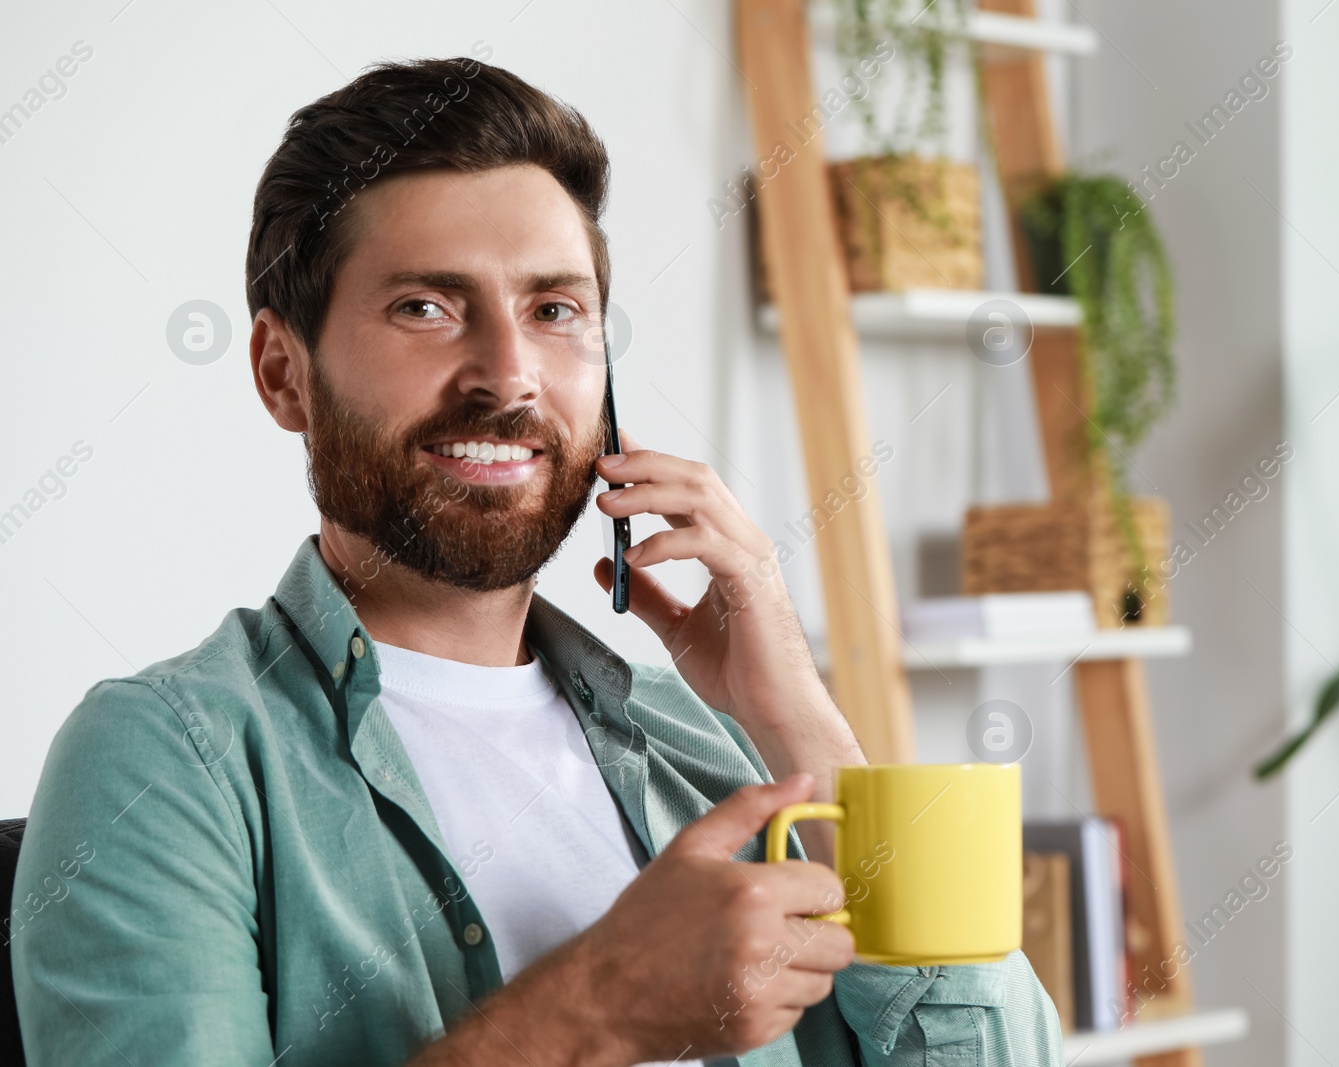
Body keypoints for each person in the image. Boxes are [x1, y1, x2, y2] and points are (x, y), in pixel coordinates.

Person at [9, 57, 1064, 1066]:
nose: (509, 375)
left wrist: (800, 720)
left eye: (555, 310)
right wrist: (599, 1005)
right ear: (284, 373)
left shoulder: (707, 741)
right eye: (425, 305)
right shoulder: (164, 758)